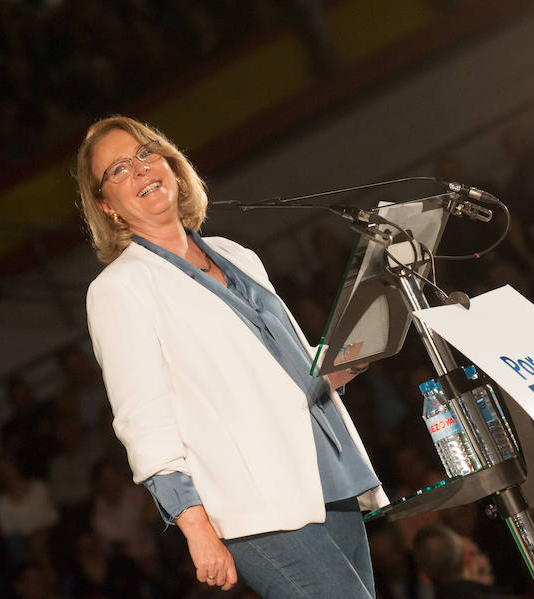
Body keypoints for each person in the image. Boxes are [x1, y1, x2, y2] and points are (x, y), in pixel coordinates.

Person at [77, 115, 388, 597]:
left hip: (327, 472)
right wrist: (196, 527)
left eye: (144, 154)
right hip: (256, 504)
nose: (139, 170)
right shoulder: (119, 288)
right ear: (106, 206)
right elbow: (143, 421)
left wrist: (346, 352)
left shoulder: (235, 253)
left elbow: (282, 366)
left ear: (171, 165)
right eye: (117, 170)